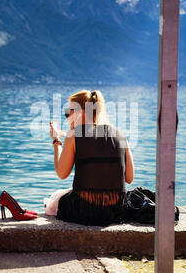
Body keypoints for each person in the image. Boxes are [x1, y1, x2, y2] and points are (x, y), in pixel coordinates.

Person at [49, 89, 135, 226]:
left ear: (80, 111)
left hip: (84, 211)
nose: (67, 117)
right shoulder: (121, 135)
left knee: (55, 199)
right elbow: (129, 178)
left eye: (68, 112)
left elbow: (62, 173)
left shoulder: (74, 135)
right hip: (116, 211)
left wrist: (56, 141)